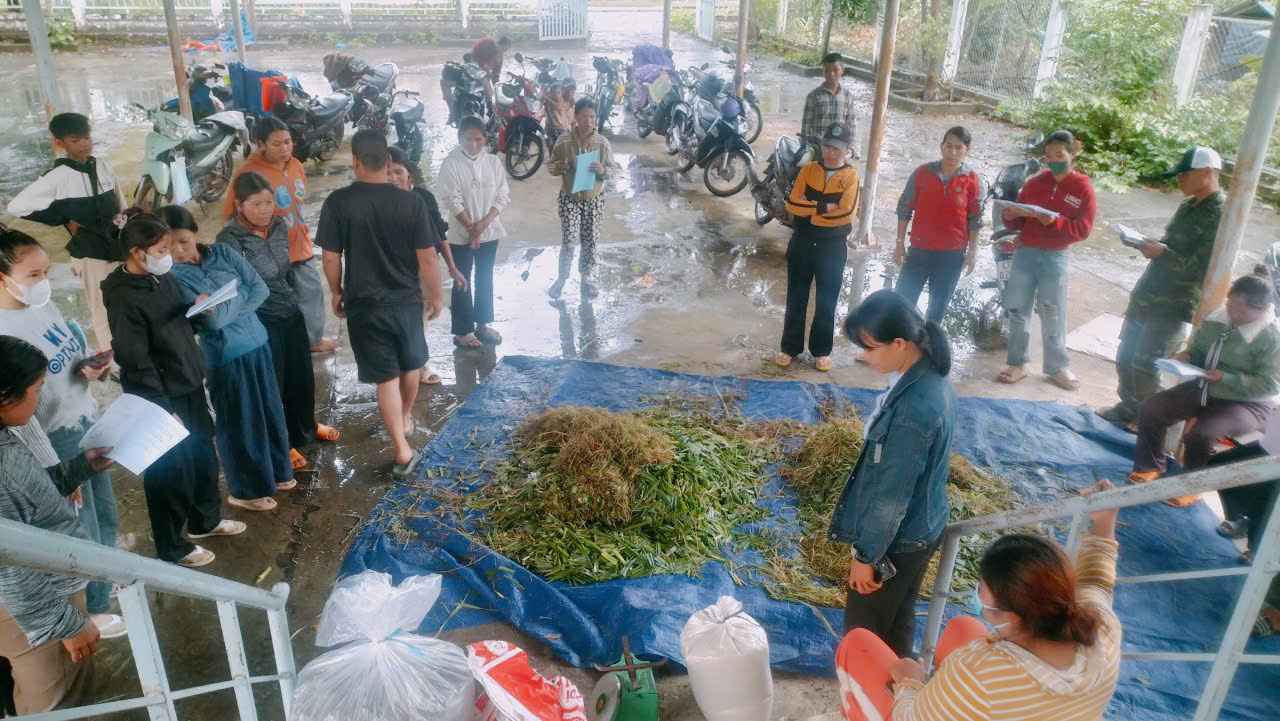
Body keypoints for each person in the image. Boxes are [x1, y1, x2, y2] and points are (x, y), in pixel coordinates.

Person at [836, 480, 1121, 721]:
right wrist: (1105, 524)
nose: (979, 591)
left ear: (1010, 615)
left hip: (970, 700)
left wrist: (910, 683)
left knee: (858, 643)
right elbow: (1097, 581)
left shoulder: (979, 672)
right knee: (963, 627)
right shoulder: (1102, 628)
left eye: (983, 588)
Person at [0, 229, 124, 639]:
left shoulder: (43, 306)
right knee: (78, 524)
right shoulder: (3, 330)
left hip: (83, 420)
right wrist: (54, 468)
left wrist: (87, 366)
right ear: (2, 277)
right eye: (33, 274)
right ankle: (90, 607)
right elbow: (22, 414)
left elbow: (60, 361)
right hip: (55, 441)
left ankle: (104, 585)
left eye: (44, 271)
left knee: (104, 514)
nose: (43, 282)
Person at [102, 213, 245, 567]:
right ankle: (172, 546)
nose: (169, 255)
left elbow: (178, 316)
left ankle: (204, 521)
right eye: (161, 249)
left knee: (202, 456)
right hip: (159, 394)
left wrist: (199, 310)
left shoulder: (160, 278)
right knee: (169, 470)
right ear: (137, 252)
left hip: (188, 379)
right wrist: (163, 406)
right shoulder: (122, 296)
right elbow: (135, 357)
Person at [830, 289, 955, 657]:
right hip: (924, 525)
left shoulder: (913, 412)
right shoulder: (928, 375)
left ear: (899, 343)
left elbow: (890, 497)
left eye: (869, 348)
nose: (863, 356)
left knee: (862, 635)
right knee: (898, 619)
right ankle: (900, 698)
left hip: (898, 542)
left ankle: (863, 702)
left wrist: (866, 557)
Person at [0, 336, 118, 714]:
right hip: (31, 605)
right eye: (36, 391)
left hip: (30, 600)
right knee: (57, 699)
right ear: (5, 397)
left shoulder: (5, 440)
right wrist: (63, 623)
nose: (40, 402)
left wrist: (82, 466)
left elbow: (27, 498)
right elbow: (8, 557)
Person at [318, 130, 444, 478]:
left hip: (365, 304)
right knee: (411, 366)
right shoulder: (411, 202)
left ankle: (401, 450)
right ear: (388, 163)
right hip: (405, 302)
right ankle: (404, 417)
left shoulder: (339, 202)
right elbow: (428, 259)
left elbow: (331, 257)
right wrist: (435, 295)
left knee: (386, 379)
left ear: (356, 161)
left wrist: (336, 291)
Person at [165, 205, 295, 512]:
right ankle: (245, 490)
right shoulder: (172, 278)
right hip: (225, 356)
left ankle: (277, 471)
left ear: (195, 232)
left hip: (258, 343)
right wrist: (232, 306)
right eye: (169, 246)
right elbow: (209, 324)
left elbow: (260, 289)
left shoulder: (223, 253)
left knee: (269, 411)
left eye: (183, 240)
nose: (179, 250)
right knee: (239, 422)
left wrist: (226, 310)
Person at [1129, 268, 1280, 506]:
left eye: (1240, 310)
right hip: (1205, 386)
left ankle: (1191, 485)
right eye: (1230, 304)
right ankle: (1149, 466)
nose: (1232, 312)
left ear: (1260, 310)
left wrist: (1227, 378)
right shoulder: (1217, 319)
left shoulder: (1272, 337)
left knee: (1203, 433)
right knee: (1152, 408)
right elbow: (1199, 350)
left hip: (1247, 403)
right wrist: (1187, 356)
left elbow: (1271, 384)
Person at [220, 172, 340, 471]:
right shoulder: (229, 240)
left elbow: (286, 270)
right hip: (260, 319)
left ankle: (307, 427)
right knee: (273, 384)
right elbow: (233, 287)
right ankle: (281, 443)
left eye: (269, 203)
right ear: (239, 205)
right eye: (257, 204)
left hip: (289, 310)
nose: (265, 210)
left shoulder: (278, 225)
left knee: (302, 377)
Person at [1099, 146, 1225, 428]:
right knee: (1127, 355)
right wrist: (1147, 244)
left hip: (1173, 303)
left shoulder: (1221, 215)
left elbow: (1204, 268)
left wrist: (1162, 253)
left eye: (1184, 175)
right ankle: (1129, 408)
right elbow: (1173, 246)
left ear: (1206, 173)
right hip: (1150, 293)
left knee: (1148, 363)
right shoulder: (1188, 205)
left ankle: (1150, 424)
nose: (1179, 181)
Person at [6, 112, 126, 354]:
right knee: (102, 306)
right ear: (60, 143)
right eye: (75, 140)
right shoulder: (56, 177)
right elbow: (17, 207)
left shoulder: (101, 165)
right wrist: (62, 219)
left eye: (86, 137)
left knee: (125, 298)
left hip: (118, 244)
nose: (84, 144)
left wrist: (124, 217)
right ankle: (113, 358)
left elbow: (118, 194)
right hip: (89, 252)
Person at [222, 115, 337, 355]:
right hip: (268, 252)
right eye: (276, 144)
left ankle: (312, 340)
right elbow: (231, 215)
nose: (284, 148)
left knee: (311, 292)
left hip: (300, 243)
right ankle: (284, 344)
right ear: (260, 144)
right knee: (277, 303)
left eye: (287, 142)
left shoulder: (295, 164)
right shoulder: (249, 174)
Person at [995, 129, 1097, 391]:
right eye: (1049, 155)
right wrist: (1011, 213)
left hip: (1055, 256)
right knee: (1018, 309)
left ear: (1073, 154)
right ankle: (1017, 363)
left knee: (1053, 312)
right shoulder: (1035, 183)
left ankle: (1057, 367)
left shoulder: (1083, 188)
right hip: (1026, 252)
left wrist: (1056, 222)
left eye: (1060, 154)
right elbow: (1017, 218)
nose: (1053, 159)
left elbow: (1083, 229)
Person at [774, 123, 860, 372]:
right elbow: (791, 203)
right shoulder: (809, 170)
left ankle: (821, 351)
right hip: (802, 240)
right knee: (796, 296)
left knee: (827, 300)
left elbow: (846, 214)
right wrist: (822, 208)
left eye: (837, 148)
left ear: (847, 151)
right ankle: (790, 348)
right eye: (827, 146)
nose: (831, 152)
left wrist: (809, 208)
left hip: (832, 246)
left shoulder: (851, 176)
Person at [386, 145, 462, 386]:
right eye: (387, 172)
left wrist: (451, 266)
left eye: (398, 171)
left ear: (409, 173)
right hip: (392, 271)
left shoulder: (424, 198)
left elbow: (440, 233)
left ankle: (417, 364)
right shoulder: (378, 202)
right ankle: (407, 365)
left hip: (423, 268)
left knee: (420, 318)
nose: (393, 177)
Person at [894, 126, 985, 324]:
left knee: (937, 310)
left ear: (966, 150)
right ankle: (896, 348)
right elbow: (904, 208)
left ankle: (929, 350)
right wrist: (899, 243)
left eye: (958, 148)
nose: (952, 152)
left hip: (951, 256)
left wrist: (972, 252)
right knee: (901, 304)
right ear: (941, 146)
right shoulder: (922, 173)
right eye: (948, 146)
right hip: (919, 251)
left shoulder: (973, 181)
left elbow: (975, 220)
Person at [435, 116, 510, 347]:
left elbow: (502, 195)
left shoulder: (493, 163)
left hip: (489, 232)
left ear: (485, 139)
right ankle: (462, 331)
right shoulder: (451, 163)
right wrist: (471, 227)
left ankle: (483, 324)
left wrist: (483, 224)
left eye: (479, 139)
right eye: (469, 139)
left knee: (485, 277)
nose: (474, 144)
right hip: (460, 234)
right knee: (461, 278)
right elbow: (452, 199)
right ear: (460, 138)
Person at [547, 98, 612, 299]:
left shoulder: (602, 143)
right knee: (569, 240)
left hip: (594, 199)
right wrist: (563, 166)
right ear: (575, 117)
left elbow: (614, 171)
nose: (588, 121)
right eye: (584, 116)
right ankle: (562, 278)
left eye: (592, 117)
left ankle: (586, 278)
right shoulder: (564, 141)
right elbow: (551, 166)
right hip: (570, 198)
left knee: (590, 239)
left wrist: (603, 170)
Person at [799, 53, 857, 165]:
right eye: (827, 71)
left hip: (840, 148)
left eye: (835, 70)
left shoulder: (848, 96)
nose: (831, 74)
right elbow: (806, 127)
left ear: (842, 71)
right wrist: (804, 146)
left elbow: (851, 124)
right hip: (819, 148)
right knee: (803, 170)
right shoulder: (814, 96)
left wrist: (851, 147)